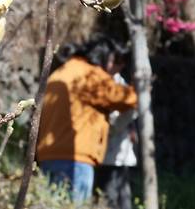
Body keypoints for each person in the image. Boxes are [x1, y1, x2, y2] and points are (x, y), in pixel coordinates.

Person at [37, 35, 138, 203]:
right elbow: (124, 98)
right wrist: (140, 89)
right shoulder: (90, 76)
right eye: (113, 61)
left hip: (48, 155)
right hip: (75, 159)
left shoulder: (61, 72)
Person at [96, 51, 137, 209]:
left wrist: (111, 129)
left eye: (114, 62)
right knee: (112, 196)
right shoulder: (101, 82)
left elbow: (131, 111)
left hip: (116, 154)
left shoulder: (121, 87)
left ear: (121, 65)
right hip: (104, 153)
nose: (110, 65)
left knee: (116, 197)